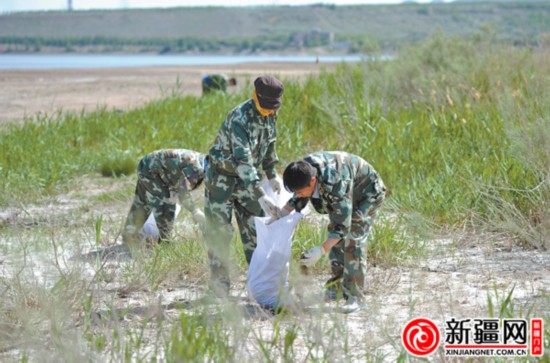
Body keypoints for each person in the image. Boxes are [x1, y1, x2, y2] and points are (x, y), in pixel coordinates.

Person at [204, 75, 285, 296]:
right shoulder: (240, 118)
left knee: (256, 231)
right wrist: (260, 193)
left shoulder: (271, 112)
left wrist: (271, 174)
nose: (269, 111)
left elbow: (269, 145)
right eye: (265, 107)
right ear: (255, 96)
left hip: (248, 179)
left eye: (272, 108)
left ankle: (258, 286)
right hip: (221, 178)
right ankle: (220, 290)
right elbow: (243, 161)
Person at [277, 151, 386, 313]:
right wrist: (280, 214)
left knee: (353, 239)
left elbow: (342, 227)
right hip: (347, 191)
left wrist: (321, 250)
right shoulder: (303, 170)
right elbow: (299, 194)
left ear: (313, 181)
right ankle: (337, 287)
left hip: (366, 194)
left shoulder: (336, 182)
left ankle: (356, 297)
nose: (298, 195)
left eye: (300, 192)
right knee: (335, 238)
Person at [122, 149, 206, 252]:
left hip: (149, 164)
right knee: (166, 206)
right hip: (152, 171)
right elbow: (182, 189)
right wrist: (195, 210)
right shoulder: (195, 166)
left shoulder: (201, 159)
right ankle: (165, 244)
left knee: (141, 202)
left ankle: (129, 236)